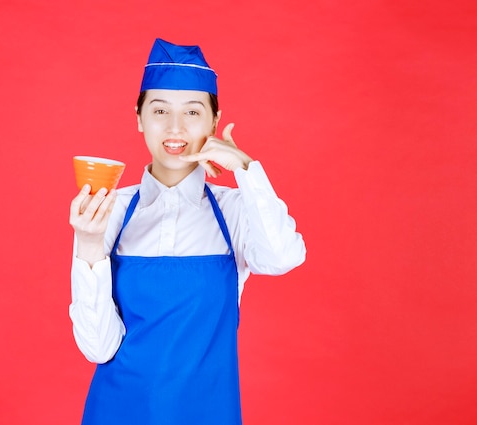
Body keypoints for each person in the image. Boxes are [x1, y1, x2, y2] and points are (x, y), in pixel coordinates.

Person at [69, 38, 306, 425]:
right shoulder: (109, 211)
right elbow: (98, 347)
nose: (175, 127)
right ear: (139, 117)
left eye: (192, 112)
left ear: (214, 121)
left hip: (209, 412)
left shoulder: (234, 210)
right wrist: (89, 244)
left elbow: (283, 258)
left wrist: (246, 168)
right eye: (159, 110)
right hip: (117, 411)